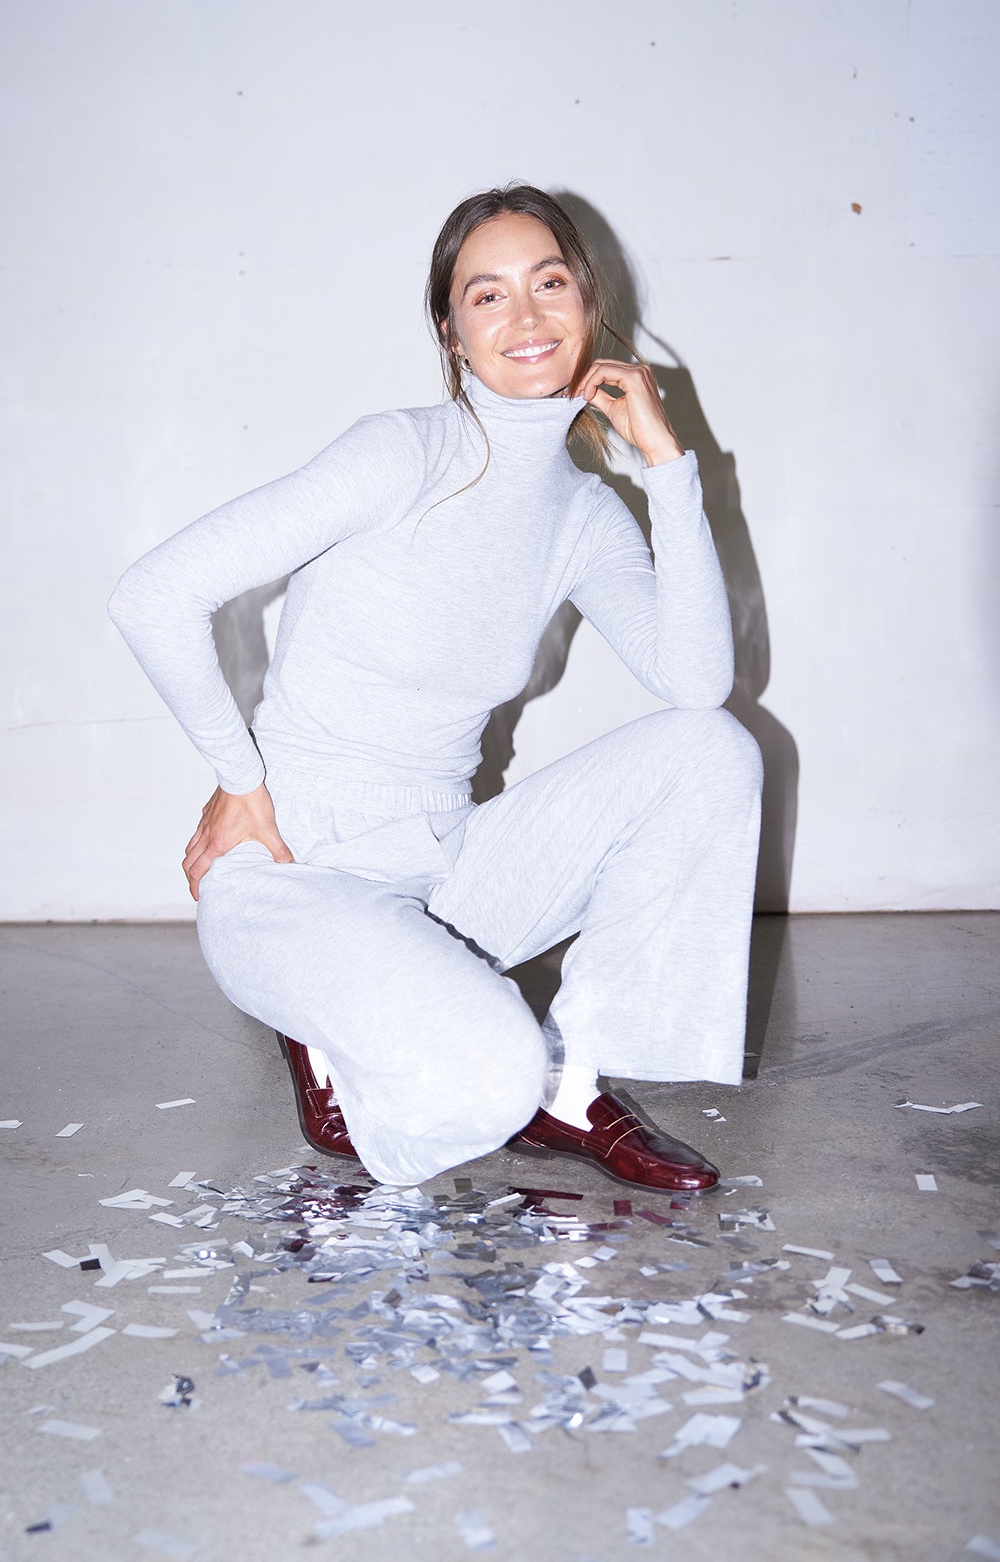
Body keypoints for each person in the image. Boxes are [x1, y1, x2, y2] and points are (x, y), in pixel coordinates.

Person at [108, 183, 762, 1193]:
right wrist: (239, 777)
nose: (528, 317)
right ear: (452, 332)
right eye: (488, 295)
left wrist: (667, 464)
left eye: (549, 283)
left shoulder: (586, 514)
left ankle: (570, 1079)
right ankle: (344, 1036)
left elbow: (696, 683)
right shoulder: (402, 453)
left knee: (712, 750)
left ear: (588, 304)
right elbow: (155, 594)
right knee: (476, 1082)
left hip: (443, 865)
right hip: (297, 873)